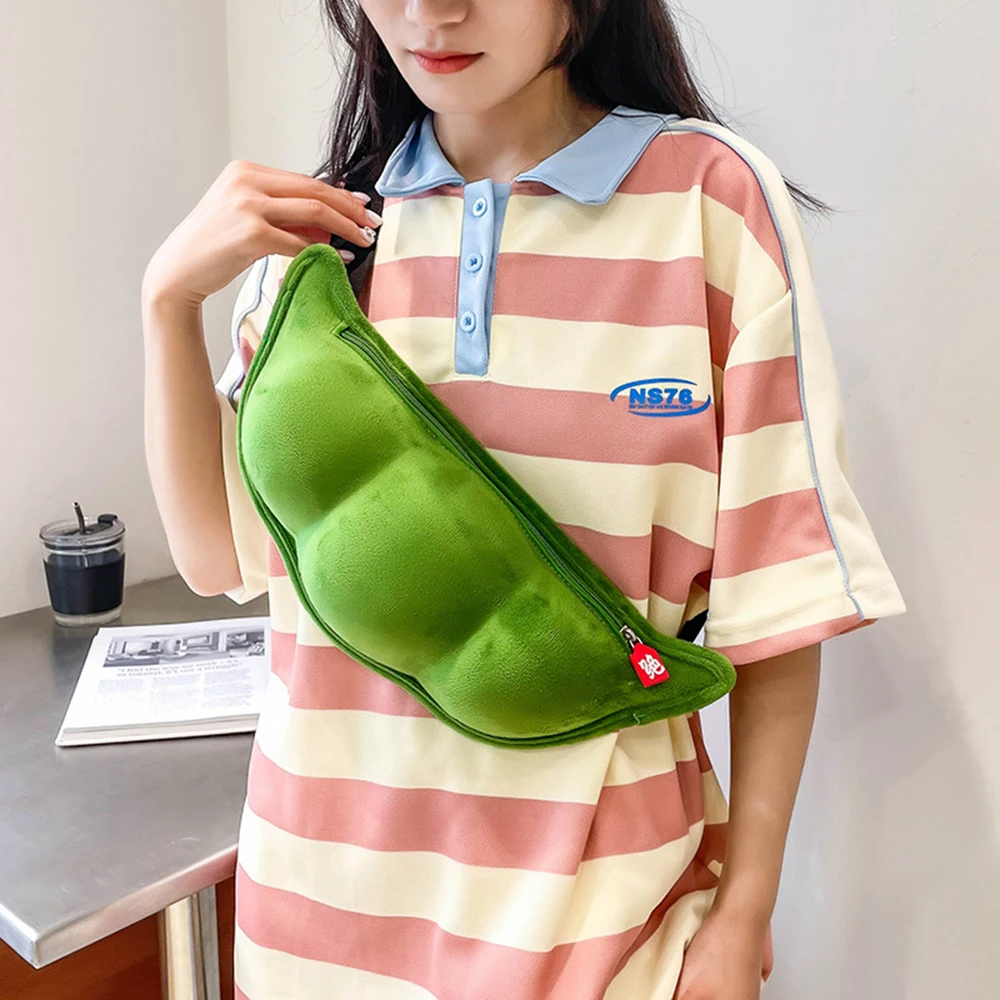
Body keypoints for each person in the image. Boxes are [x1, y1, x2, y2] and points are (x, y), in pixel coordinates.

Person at [142, 1, 905, 997]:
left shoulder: (708, 205)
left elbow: (780, 609)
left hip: (605, 939)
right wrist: (166, 304)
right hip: (313, 930)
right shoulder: (315, 243)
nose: (430, 12)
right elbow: (217, 557)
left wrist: (742, 915)